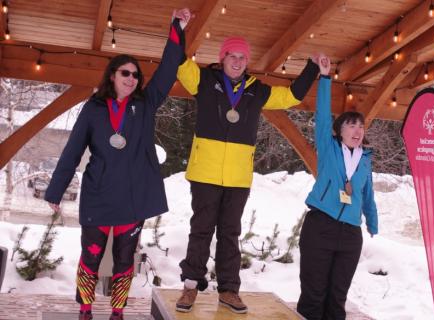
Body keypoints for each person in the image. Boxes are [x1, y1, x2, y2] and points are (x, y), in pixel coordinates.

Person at [44, 9, 192, 320]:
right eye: (125, 73)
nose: (131, 78)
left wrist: (177, 28)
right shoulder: (94, 108)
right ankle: (85, 308)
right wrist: (55, 191)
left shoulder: (146, 103)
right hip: (98, 193)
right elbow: (73, 151)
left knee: (125, 258)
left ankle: (117, 311)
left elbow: (167, 70)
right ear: (112, 75)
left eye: (136, 74)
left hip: (132, 198)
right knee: (92, 255)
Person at [174, 36, 321, 314]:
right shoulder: (204, 80)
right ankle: (190, 286)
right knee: (201, 229)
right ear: (223, 58)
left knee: (230, 233)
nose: (238, 62)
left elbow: (292, 96)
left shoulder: (257, 91)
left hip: (238, 177)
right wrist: (177, 29)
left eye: (243, 58)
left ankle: (229, 290)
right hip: (205, 172)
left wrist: (312, 66)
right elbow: (180, 63)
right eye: (233, 56)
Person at [296, 54, 378, 320]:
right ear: (338, 130)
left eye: (361, 126)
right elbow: (321, 114)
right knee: (314, 295)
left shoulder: (365, 160)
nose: (357, 130)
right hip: (321, 225)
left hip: (351, 234)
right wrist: (325, 78)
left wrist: (372, 223)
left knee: (337, 298)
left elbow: (367, 195)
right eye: (351, 125)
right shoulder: (329, 148)